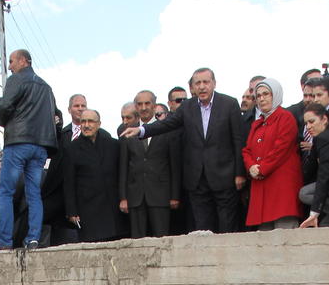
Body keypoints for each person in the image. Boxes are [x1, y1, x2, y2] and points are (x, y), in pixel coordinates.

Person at [121, 67, 245, 233]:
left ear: (214, 83)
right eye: (198, 83)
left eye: (206, 82)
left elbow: (238, 140)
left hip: (224, 176)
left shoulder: (229, 104)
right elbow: (167, 124)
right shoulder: (187, 107)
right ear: (192, 87)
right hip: (197, 180)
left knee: (227, 225)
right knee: (202, 229)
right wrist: (142, 130)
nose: (202, 87)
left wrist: (239, 173)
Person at [0, 49, 58, 250]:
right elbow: (55, 114)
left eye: (11, 61)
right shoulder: (46, 87)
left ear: (23, 61)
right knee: (34, 194)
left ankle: (4, 240)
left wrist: (4, 121)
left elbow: (4, 106)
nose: (10, 66)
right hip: (40, 145)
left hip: (18, 142)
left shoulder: (16, 79)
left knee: (5, 191)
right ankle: (33, 238)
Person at [118, 89, 181, 237]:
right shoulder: (127, 131)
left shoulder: (166, 129)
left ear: (154, 105)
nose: (144, 107)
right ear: (136, 106)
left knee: (162, 238)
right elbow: (124, 167)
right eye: (140, 104)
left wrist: (175, 195)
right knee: (137, 241)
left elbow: (174, 165)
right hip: (135, 196)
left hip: (161, 194)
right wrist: (123, 197)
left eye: (147, 103)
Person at [241, 78, 303, 229]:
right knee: (264, 235)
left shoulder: (286, 117)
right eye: (258, 96)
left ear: (275, 94)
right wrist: (251, 167)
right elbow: (247, 150)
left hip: (282, 187)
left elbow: (281, 149)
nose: (261, 99)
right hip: (262, 187)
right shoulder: (257, 123)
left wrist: (261, 169)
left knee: (285, 232)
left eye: (266, 94)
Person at [64, 109, 121, 242]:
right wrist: (71, 211)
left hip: (113, 207)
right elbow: (68, 183)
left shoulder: (113, 144)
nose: (86, 125)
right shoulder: (72, 149)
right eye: (83, 121)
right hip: (88, 209)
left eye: (90, 121)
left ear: (99, 124)